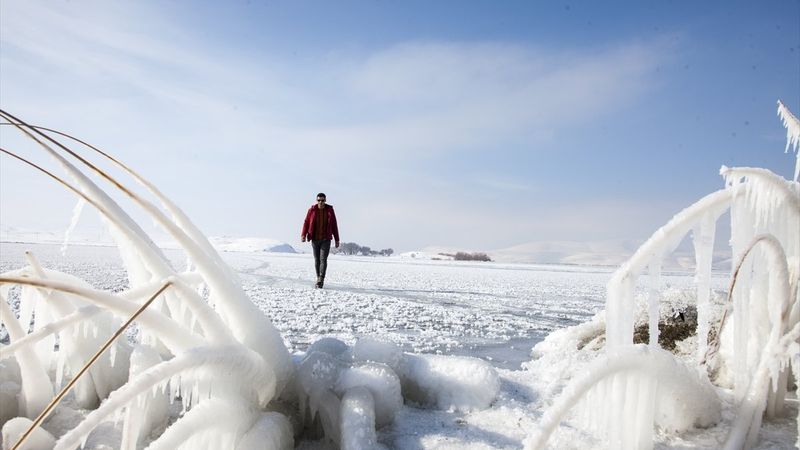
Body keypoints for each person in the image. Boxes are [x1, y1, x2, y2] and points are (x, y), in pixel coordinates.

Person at [301, 192, 340, 288]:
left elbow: (334, 224)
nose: (321, 202)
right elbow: (306, 222)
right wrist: (303, 234)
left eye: (322, 200)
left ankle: (321, 279)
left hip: (325, 239)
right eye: (319, 200)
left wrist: (337, 239)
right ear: (316, 200)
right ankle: (318, 277)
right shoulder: (312, 210)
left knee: (323, 259)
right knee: (317, 260)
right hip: (314, 238)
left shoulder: (330, 210)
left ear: (325, 200)